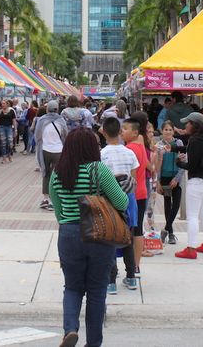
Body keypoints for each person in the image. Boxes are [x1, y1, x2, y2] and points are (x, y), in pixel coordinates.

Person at [49, 128, 128, 347]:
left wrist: (68, 221)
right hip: (99, 235)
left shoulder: (58, 171)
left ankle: (70, 329)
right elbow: (122, 202)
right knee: (96, 290)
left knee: (72, 287)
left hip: (69, 234)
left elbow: (57, 208)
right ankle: (93, 343)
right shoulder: (99, 169)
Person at [98, 116, 138, 294]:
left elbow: (99, 181)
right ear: (120, 132)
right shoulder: (130, 153)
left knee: (110, 240)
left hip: (109, 201)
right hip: (129, 201)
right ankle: (131, 277)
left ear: (104, 132)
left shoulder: (101, 154)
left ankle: (111, 281)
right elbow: (133, 180)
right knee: (127, 239)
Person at [174, 112, 203, 260]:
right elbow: (192, 150)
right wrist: (173, 149)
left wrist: (178, 163)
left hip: (197, 182)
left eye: (188, 123)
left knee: (192, 216)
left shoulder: (194, 140)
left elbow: (191, 165)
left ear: (194, 124)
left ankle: (191, 248)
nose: (185, 125)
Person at [121, 117, 150, 278]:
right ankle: (136, 266)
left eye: (125, 129)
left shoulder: (128, 150)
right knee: (138, 229)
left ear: (135, 132)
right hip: (142, 192)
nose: (122, 131)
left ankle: (129, 266)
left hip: (130, 194)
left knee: (128, 231)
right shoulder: (141, 147)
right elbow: (147, 167)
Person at [154, 121, 184, 245]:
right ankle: (170, 233)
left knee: (176, 204)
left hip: (176, 178)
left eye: (170, 130)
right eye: (165, 129)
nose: (168, 132)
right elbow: (156, 166)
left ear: (173, 131)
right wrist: (158, 181)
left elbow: (183, 162)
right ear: (162, 131)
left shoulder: (179, 143)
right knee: (167, 204)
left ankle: (165, 229)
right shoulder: (158, 145)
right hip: (164, 178)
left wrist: (177, 178)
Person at [35, 100, 68, 210]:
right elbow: (65, 135)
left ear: (47, 108)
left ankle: (45, 198)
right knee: (57, 175)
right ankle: (55, 199)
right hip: (59, 150)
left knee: (46, 174)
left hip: (45, 150)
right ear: (57, 109)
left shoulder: (41, 120)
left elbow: (37, 135)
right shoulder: (61, 120)